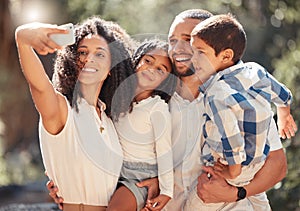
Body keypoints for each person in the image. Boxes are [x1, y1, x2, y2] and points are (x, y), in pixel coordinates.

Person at [48, 9, 293, 211]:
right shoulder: (152, 100)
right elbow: (104, 141)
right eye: (172, 40)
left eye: (188, 40)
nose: (178, 48)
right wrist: (68, 184)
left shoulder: (240, 98)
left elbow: (277, 165)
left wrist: (237, 192)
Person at [15, 16, 135, 211]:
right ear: (72, 60)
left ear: (112, 68)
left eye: (100, 54)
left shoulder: (109, 119)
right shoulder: (62, 109)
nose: (89, 58)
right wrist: (22, 39)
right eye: (82, 52)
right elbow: (38, 86)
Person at [182, 13, 297, 210]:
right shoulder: (254, 70)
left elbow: (231, 136)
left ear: (226, 56)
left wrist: (232, 172)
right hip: (257, 166)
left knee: (193, 205)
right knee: (260, 202)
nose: (193, 59)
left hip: (231, 168)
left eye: (200, 52)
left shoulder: (216, 94)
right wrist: (284, 115)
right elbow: (281, 93)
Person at [107, 39, 176, 211]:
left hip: (140, 177)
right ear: (137, 60)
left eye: (160, 70)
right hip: (114, 171)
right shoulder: (118, 98)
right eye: (148, 61)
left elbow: (164, 149)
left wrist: (167, 191)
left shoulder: (156, 108)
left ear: (165, 81)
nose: (152, 69)